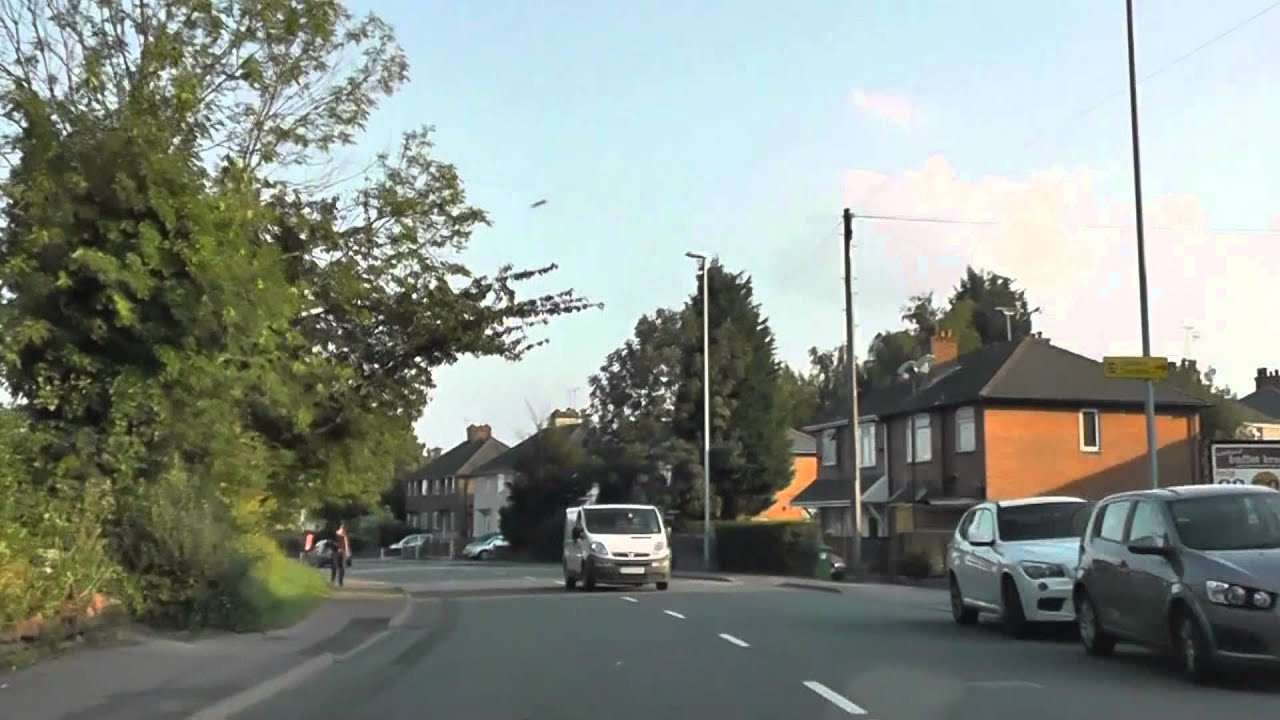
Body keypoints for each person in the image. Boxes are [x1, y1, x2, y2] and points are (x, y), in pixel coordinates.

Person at [330, 521, 350, 587]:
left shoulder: (342, 535)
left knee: (336, 567)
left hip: (338, 552)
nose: (343, 530)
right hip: (338, 552)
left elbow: (346, 545)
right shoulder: (339, 534)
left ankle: (336, 581)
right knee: (338, 567)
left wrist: (347, 553)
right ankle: (338, 581)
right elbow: (346, 545)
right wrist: (347, 554)